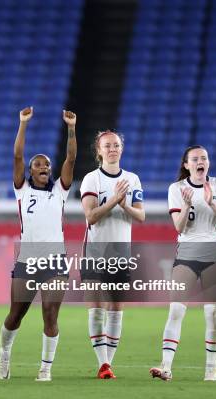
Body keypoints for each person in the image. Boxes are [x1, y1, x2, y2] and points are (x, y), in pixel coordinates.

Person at [0, 106, 77, 382]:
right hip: (27, 261)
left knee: (50, 315)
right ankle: (5, 352)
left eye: (47, 165)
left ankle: (45, 368)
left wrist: (71, 128)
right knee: (15, 316)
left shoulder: (60, 192)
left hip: (55, 262)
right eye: (38, 164)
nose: (44, 167)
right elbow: (17, 154)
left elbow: (71, 157)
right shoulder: (23, 190)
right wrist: (23, 123)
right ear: (30, 171)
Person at [150, 145, 216, 382]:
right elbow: (179, 227)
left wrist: (212, 203)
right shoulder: (176, 189)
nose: (201, 161)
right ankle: (166, 367)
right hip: (186, 253)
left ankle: (210, 371)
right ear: (186, 165)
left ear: (208, 163)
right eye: (195, 159)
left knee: (212, 313)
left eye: (204, 158)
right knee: (176, 309)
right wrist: (187, 205)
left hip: (214, 254)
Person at [80, 129, 145, 379]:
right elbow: (91, 216)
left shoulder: (133, 179)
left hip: (120, 252)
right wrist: (113, 201)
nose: (112, 149)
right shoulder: (91, 179)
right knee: (96, 308)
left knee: (116, 309)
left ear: (121, 148)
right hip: (96, 251)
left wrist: (124, 203)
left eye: (116, 145)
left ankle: (109, 363)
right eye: (107, 145)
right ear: (99, 150)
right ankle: (103, 364)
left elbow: (140, 216)